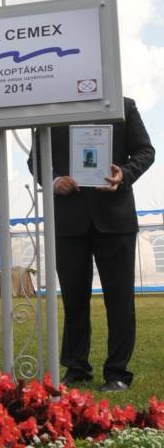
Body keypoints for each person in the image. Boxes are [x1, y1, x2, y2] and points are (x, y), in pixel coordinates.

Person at [29, 97, 155, 391]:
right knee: (73, 299)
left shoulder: (123, 106)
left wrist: (125, 174)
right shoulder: (51, 109)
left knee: (120, 300)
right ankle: (77, 367)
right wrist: (54, 180)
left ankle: (117, 372)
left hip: (115, 219)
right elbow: (35, 159)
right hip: (68, 220)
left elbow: (145, 151)